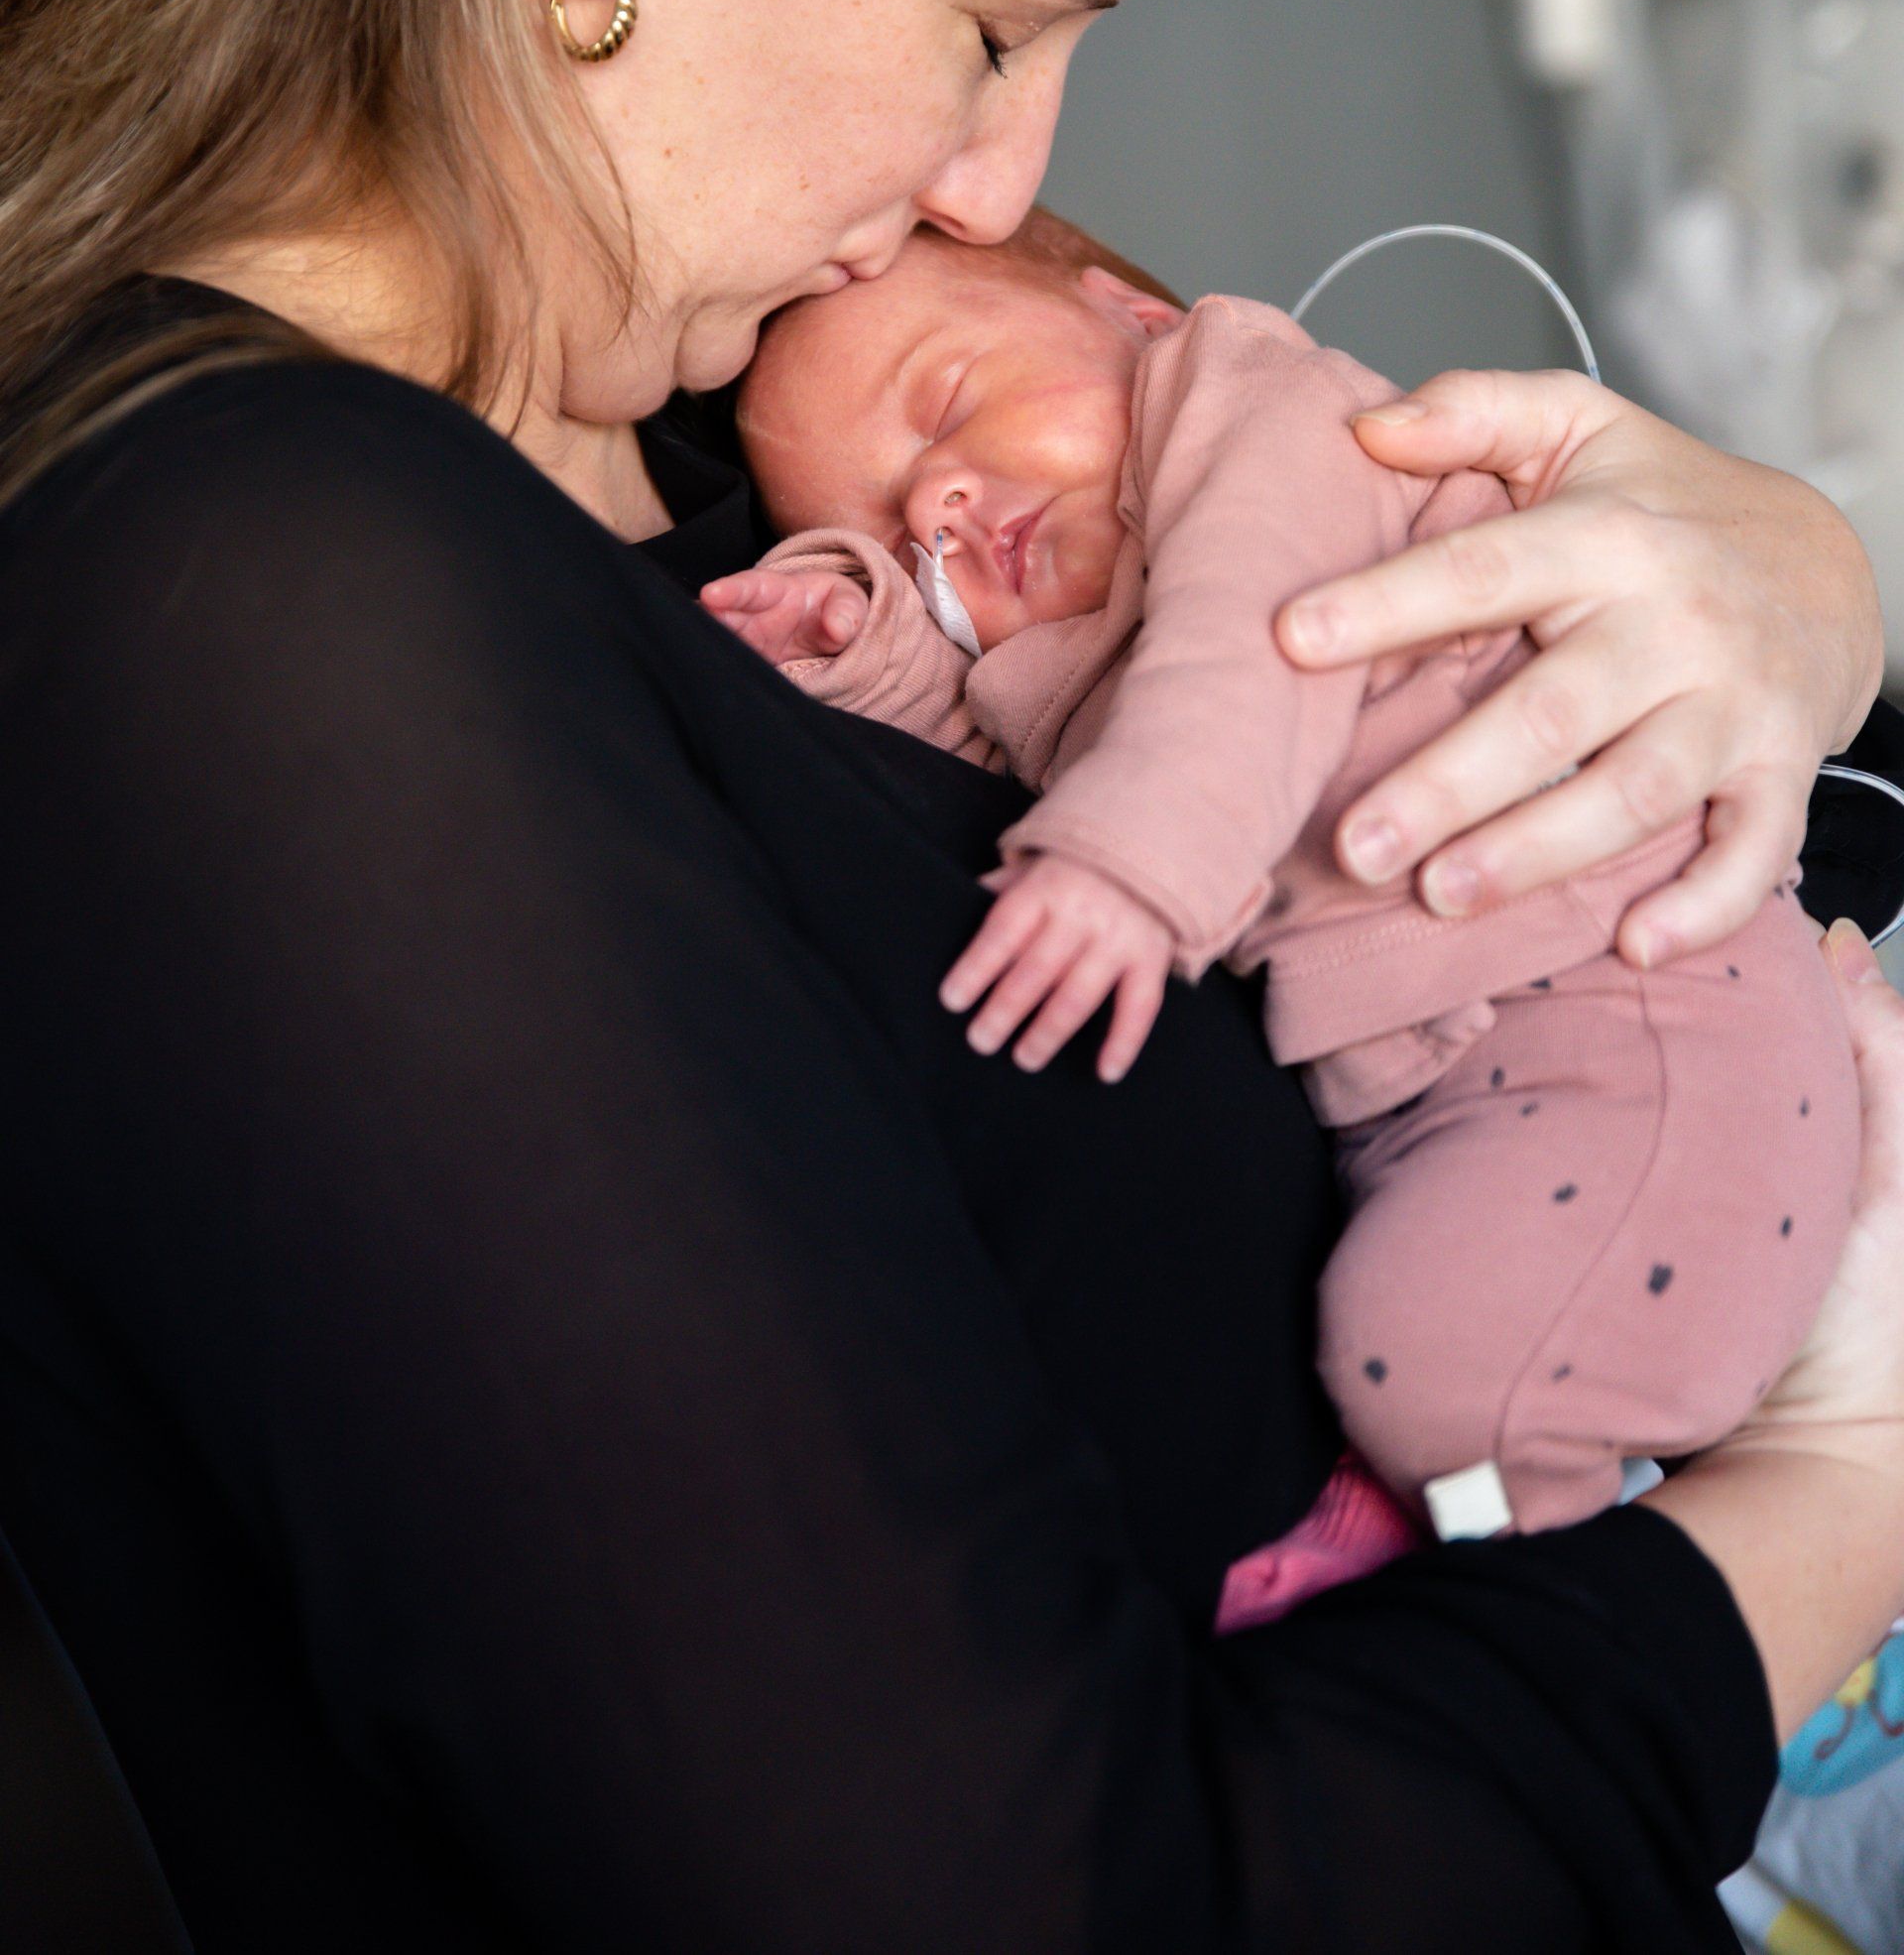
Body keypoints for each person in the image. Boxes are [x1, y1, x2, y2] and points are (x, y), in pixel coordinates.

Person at [0, 0, 1900, 1950]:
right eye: (1004, 20)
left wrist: (1784, 588)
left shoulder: (700, 426)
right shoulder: (264, 621)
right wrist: (1833, 1498)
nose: (1010, 182)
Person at [712, 211, 1858, 1561]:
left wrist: (1122, 872)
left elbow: (1251, 651)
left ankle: (1607, 1579)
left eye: (951, 402)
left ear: (1132, 315)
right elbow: (979, 764)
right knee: (1402, 1327)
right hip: (1447, 1071)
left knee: (1432, 1362)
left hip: (1635, 996)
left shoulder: (1256, 406)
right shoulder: (1071, 661)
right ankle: (1591, 1553)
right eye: (887, 531)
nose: (934, 509)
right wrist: (860, 645)